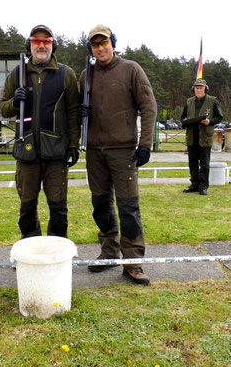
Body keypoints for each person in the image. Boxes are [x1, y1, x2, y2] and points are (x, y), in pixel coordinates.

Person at [78, 24, 157, 286]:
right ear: (91, 47)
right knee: (100, 205)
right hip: (94, 153)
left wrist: (145, 144)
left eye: (104, 43)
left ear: (113, 42)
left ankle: (133, 262)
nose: (100, 48)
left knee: (128, 207)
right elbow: (75, 109)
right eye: (95, 44)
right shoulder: (85, 76)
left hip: (124, 152)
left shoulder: (131, 69)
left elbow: (149, 106)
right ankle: (109, 252)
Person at [0, 24, 80, 239]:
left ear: (53, 45)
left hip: (57, 153)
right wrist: (16, 101)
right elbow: (3, 108)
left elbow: (73, 113)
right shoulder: (18, 73)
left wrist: (73, 145)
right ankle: (30, 252)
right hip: (26, 152)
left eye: (47, 41)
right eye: (36, 41)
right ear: (29, 45)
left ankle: (57, 253)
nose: (41, 45)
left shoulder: (66, 74)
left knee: (58, 209)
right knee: (26, 208)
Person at [181, 78, 223, 195]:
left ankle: (203, 186)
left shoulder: (213, 101)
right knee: (192, 163)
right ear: (193, 89)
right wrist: (185, 122)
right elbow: (183, 117)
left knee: (204, 164)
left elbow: (219, 117)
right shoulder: (189, 102)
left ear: (205, 89)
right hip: (192, 137)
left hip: (204, 137)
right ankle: (194, 184)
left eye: (201, 88)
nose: (198, 90)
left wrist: (209, 121)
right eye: (196, 88)